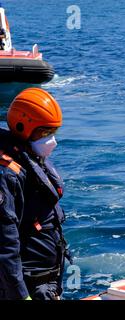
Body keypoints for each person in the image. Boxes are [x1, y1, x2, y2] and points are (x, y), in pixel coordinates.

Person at [0, 88, 69, 300]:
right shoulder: (8, 175)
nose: (52, 140)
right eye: (45, 133)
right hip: (27, 285)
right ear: (23, 128)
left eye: (53, 132)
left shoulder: (31, 159)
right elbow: (5, 244)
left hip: (46, 280)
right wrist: (21, 295)